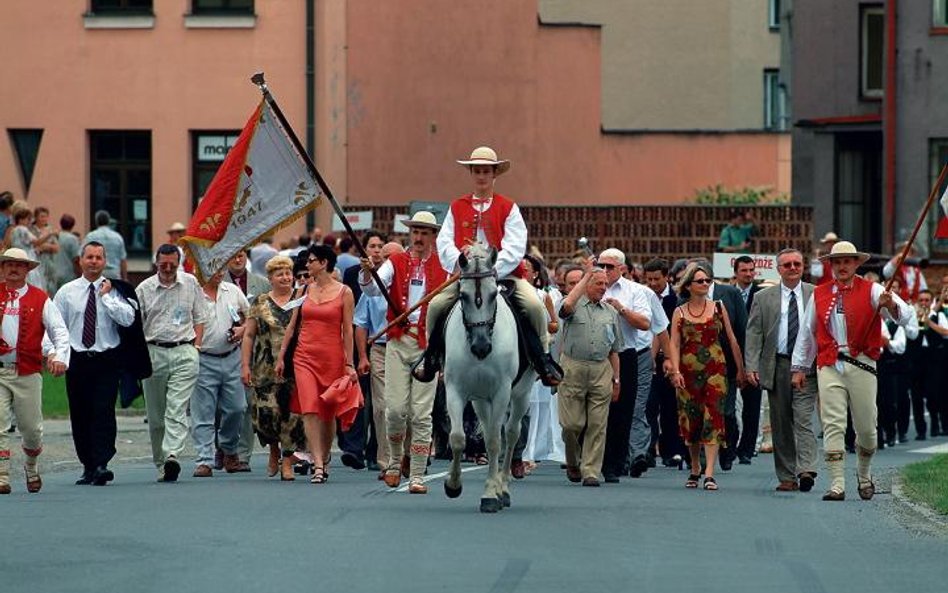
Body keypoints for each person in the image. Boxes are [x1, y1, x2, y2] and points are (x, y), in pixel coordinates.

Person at [419, 146, 562, 386]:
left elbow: (516, 245)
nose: (482, 176)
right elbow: (444, 242)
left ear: (494, 174)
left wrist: (493, 268)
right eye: (477, 171)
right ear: (472, 174)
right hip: (465, 276)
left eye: (486, 171)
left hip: (503, 275)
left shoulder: (509, 207)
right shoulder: (456, 206)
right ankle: (431, 358)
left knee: (535, 306)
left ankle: (543, 359)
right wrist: (461, 263)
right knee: (436, 305)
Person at [791, 241, 913, 501]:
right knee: (833, 423)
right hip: (830, 364)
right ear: (831, 265)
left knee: (867, 427)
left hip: (862, 363)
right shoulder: (820, 294)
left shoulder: (873, 289)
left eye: (847, 261)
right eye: (837, 262)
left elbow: (906, 316)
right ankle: (837, 483)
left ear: (857, 263)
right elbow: (806, 333)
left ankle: (864, 473)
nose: (842, 266)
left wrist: (889, 305)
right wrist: (800, 367)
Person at [358, 212, 447, 492]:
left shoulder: (445, 266)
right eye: (415, 232)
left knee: (422, 413)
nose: (419, 237)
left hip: (427, 345)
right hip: (397, 341)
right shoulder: (395, 262)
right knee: (394, 410)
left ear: (433, 236)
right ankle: (396, 460)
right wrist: (366, 272)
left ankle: (418, 474)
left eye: (425, 232)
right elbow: (373, 290)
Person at [275, 244, 362, 485]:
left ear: (324, 263)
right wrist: (282, 356)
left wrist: (349, 363)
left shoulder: (344, 292)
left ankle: (324, 456)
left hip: (332, 358)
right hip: (304, 357)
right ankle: (317, 463)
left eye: (312, 261)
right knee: (310, 408)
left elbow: (347, 330)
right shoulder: (302, 290)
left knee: (328, 413)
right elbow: (292, 326)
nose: (307, 265)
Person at [53, 241, 135, 486]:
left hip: (106, 360)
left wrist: (107, 297)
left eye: (98, 258)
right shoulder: (66, 292)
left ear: (104, 261)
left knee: (103, 411)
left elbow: (128, 318)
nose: (94, 262)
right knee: (80, 413)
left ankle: (101, 463)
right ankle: (88, 465)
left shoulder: (115, 289)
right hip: (78, 360)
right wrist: (55, 354)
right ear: (80, 260)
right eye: (89, 257)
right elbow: (56, 327)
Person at [744, 248, 819, 492]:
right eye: (787, 265)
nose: (793, 268)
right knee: (781, 422)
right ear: (778, 269)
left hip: (808, 365)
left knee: (804, 418)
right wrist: (751, 365)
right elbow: (754, 333)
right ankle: (787, 476)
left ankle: (806, 468)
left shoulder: (816, 294)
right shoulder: (763, 297)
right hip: (777, 364)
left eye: (797, 263)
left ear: (803, 266)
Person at [667, 262, 744, 491]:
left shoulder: (719, 307)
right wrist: (676, 371)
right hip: (688, 373)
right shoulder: (679, 312)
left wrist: (740, 369)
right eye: (700, 281)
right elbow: (674, 343)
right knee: (692, 419)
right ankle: (694, 467)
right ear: (689, 285)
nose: (705, 284)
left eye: (708, 281)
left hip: (716, 370)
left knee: (714, 417)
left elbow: (731, 339)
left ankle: (709, 472)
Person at [0, 248, 70, 494]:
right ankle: (2, 475)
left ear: (28, 270)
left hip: (27, 372)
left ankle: (31, 466)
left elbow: (59, 331)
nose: (13, 269)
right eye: (8, 264)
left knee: (31, 430)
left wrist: (59, 357)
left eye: (19, 265)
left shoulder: (40, 298)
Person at [137, 244, 207, 482]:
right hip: (154, 352)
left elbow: (200, 317)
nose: (168, 269)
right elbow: (137, 325)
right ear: (156, 263)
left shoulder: (190, 284)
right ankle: (161, 463)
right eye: (163, 265)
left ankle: (172, 455)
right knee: (156, 417)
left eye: (172, 265)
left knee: (176, 408)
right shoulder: (144, 289)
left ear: (179, 263)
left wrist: (196, 347)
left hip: (184, 351)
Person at [241, 255, 308, 481]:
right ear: (270, 278)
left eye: (288, 273)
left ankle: (287, 461)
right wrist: (245, 366)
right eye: (280, 274)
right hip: (264, 367)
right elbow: (249, 335)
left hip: (294, 366)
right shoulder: (259, 302)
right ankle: (273, 449)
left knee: (292, 416)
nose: (285, 277)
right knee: (267, 415)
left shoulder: (301, 299)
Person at [557, 265, 623, 487]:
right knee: (571, 424)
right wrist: (585, 276)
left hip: (600, 369)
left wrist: (616, 380)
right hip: (573, 367)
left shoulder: (610, 312)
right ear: (587, 285)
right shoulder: (575, 306)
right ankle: (573, 461)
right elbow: (565, 307)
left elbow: (615, 350)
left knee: (597, 424)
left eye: (606, 284)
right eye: (599, 283)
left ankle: (591, 471)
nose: (604, 288)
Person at [596, 248, 651, 483]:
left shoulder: (636, 291)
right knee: (592, 412)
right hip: (594, 356)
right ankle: (589, 460)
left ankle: (614, 464)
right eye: (601, 265)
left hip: (625, 354)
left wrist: (620, 308)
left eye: (610, 266)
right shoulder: (591, 286)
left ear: (622, 269)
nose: (605, 271)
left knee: (621, 412)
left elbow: (645, 323)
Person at [191, 268, 250, 477]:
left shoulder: (232, 290)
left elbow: (250, 316)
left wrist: (242, 329)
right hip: (203, 357)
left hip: (231, 355)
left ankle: (228, 449)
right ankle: (204, 459)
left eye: (221, 268)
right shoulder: (193, 293)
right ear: (200, 271)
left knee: (237, 407)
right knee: (203, 413)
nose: (219, 272)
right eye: (213, 268)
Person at [354, 239, 404, 474]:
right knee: (382, 406)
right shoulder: (373, 288)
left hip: (407, 346)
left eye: (395, 258)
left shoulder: (411, 285)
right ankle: (387, 461)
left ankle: (409, 456)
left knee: (407, 406)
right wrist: (363, 356)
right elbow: (361, 324)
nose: (389, 262)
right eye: (385, 258)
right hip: (381, 348)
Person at [223, 249, 269, 471]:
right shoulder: (215, 282)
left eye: (241, 254)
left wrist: (246, 329)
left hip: (252, 349)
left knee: (247, 404)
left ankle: (242, 455)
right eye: (232, 255)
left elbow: (268, 316)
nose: (237, 259)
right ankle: (222, 449)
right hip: (221, 348)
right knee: (222, 406)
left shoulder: (261, 284)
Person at [643, 258, 688, 467]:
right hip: (648, 358)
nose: (652, 283)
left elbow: (671, 331)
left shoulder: (676, 300)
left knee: (671, 407)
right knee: (649, 406)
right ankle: (648, 450)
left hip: (672, 358)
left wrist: (670, 358)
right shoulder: (642, 296)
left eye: (656, 279)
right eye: (649, 279)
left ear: (666, 277)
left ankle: (672, 451)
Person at [733, 254, 763, 465]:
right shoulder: (727, 294)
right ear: (736, 273)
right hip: (731, 356)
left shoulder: (761, 295)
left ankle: (746, 449)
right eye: (744, 270)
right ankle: (730, 444)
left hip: (754, 357)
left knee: (752, 406)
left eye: (751, 270)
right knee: (728, 406)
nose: (749, 274)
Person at [9, 208, 55, 291]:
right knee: (33, 283)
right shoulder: (22, 229)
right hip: (27, 258)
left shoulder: (14, 230)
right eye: (28, 219)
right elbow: (36, 242)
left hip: (17, 258)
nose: (29, 222)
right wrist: (49, 234)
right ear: (21, 219)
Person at [85, 210, 128, 281]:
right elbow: (123, 259)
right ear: (108, 221)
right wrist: (125, 278)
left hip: (96, 273)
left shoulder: (90, 236)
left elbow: (82, 256)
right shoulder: (117, 237)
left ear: (96, 221)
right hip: (114, 274)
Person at [29, 207, 60, 293]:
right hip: (36, 262)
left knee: (51, 288)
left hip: (50, 263)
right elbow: (32, 245)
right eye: (42, 216)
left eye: (46, 216)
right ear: (36, 217)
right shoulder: (31, 230)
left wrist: (46, 247)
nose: (44, 219)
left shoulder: (50, 229)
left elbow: (57, 248)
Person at [53, 214, 80, 293]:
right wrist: (79, 274)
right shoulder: (73, 239)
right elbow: (76, 259)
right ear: (72, 225)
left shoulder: (56, 236)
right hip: (68, 274)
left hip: (55, 273)